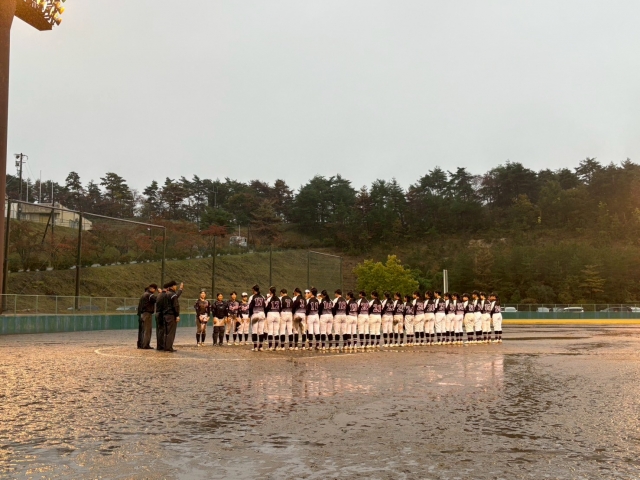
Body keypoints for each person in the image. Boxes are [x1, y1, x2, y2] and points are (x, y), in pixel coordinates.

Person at [162, 281, 183, 353]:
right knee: (171, 332)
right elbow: (175, 306)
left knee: (166, 332)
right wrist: (177, 315)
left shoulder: (165, 294)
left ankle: (165, 347)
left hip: (165, 315)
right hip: (171, 315)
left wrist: (180, 290)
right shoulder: (173, 295)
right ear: (172, 286)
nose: (176, 287)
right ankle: (169, 347)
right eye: (175, 285)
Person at [137, 283, 159, 349]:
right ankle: (145, 345)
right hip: (147, 314)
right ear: (152, 289)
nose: (155, 291)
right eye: (155, 289)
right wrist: (161, 293)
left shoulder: (144, 294)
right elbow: (157, 299)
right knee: (147, 330)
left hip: (142, 314)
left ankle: (141, 344)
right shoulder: (149, 295)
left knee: (142, 330)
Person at [249, 285, 266, 351]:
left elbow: (250, 307)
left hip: (255, 314)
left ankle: (255, 347)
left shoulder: (252, 297)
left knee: (254, 331)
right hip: (262, 314)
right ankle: (261, 346)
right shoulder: (262, 296)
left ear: (253, 290)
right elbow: (265, 306)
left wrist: (250, 315)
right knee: (261, 331)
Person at [265, 286, 282, 351]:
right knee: (276, 331)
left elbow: (266, 307)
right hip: (277, 314)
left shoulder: (269, 299)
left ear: (270, 291)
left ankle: (270, 347)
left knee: (270, 331)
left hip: (270, 314)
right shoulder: (278, 298)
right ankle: (276, 346)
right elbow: (280, 307)